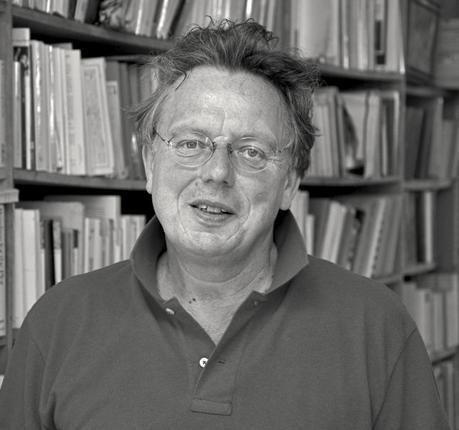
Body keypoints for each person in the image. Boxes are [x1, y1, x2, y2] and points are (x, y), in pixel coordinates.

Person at [0, 20, 451, 430]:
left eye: (251, 151)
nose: (216, 173)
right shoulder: (57, 324)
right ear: (150, 163)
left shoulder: (377, 327)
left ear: (290, 182)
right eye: (190, 143)